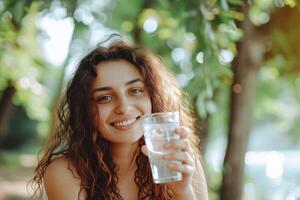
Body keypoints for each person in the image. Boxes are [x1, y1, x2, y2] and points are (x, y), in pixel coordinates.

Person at [32, 38, 208, 200]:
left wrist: (183, 192)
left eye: (135, 91)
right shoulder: (65, 172)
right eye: (105, 98)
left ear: (153, 97)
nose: (124, 108)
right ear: (85, 110)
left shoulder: (182, 164)